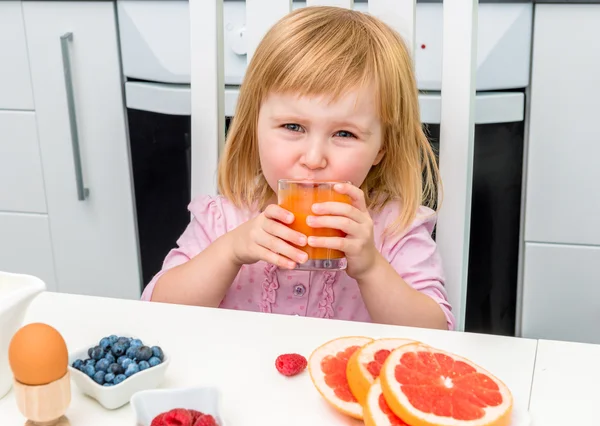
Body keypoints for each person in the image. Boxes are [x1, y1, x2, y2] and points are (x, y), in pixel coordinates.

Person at [142, 6, 455, 331]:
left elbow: (437, 334)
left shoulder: (394, 230)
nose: (314, 158)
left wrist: (372, 268)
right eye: (293, 127)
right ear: (254, 128)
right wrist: (230, 252)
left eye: (344, 134)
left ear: (382, 147)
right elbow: (156, 311)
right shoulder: (224, 220)